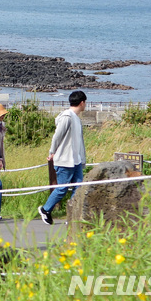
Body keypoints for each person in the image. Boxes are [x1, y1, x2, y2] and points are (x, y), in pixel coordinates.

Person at [38, 90, 88, 225]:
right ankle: (45, 209)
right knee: (62, 188)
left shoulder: (76, 118)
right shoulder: (67, 117)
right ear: (82, 103)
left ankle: (71, 216)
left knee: (78, 187)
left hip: (75, 160)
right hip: (65, 160)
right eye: (85, 103)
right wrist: (51, 152)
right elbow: (57, 136)